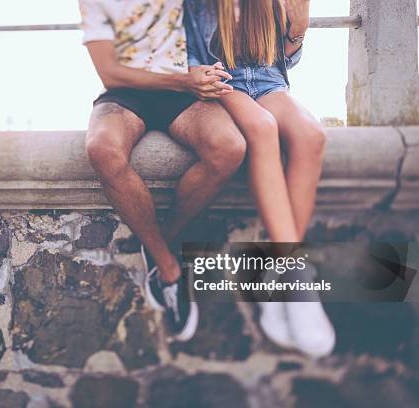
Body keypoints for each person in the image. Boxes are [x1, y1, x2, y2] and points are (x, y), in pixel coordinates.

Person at [78, 0, 247, 342]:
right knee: (102, 148)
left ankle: (158, 245)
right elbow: (109, 72)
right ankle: (168, 268)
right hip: (126, 94)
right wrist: (183, 82)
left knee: (230, 148)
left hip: (184, 91)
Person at [184, 0, 335, 357]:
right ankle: (297, 278)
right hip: (224, 86)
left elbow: (284, 59)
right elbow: (188, 58)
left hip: (269, 84)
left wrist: (297, 32)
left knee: (313, 136)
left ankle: (279, 279)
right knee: (262, 129)